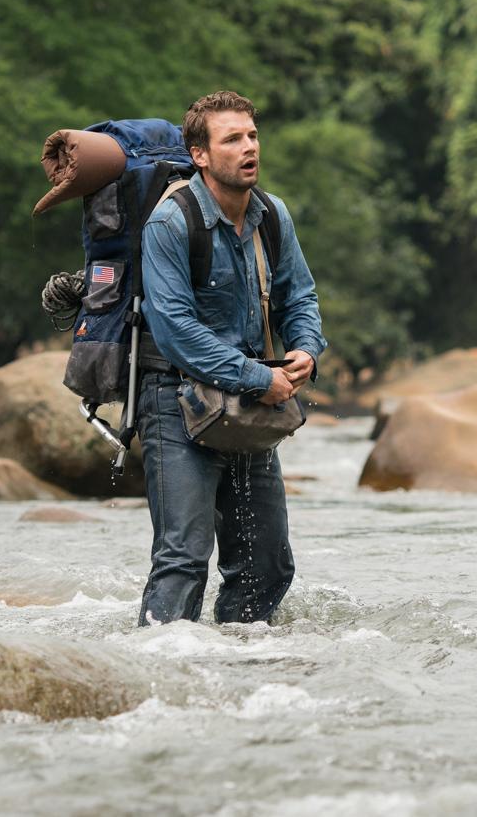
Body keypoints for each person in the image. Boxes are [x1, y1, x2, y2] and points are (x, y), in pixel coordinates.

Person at [135, 90, 326, 626]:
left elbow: (300, 296)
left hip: (246, 403)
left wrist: (306, 349)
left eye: (252, 136)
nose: (249, 148)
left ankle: (238, 667)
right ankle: (160, 675)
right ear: (200, 154)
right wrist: (257, 377)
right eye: (232, 139)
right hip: (174, 400)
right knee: (182, 561)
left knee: (267, 565)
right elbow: (175, 331)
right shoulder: (170, 223)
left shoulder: (272, 215)